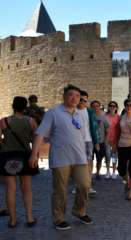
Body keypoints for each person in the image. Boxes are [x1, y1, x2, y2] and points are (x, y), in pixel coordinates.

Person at [30, 84, 93, 230]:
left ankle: (79, 211)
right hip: (60, 158)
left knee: (84, 185)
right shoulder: (53, 113)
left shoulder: (79, 113)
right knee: (60, 190)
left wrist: (87, 154)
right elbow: (40, 134)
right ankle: (59, 218)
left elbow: (82, 136)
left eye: (78, 96)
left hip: (80, 158)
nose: (75, 98)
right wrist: (34, 154)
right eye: (71, 95)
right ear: (64, 96)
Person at [0, 96, 39, 228]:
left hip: (7, 157)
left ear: (12, 105)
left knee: (10, 189)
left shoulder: (4, 121)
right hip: (25, 156)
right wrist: (35, 156)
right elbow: (35, 141)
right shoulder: (31, 121)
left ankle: (13, 220)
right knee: (26, 189)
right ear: (25, 107)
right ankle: (29, 218)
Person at [77, 91, 99, 195]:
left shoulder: (90, 111)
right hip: (76, 142)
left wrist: (97, 142)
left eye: (84, 100)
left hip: (88, 141)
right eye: (80, 99)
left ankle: (88, 186)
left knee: (89, 164)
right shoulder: (72, 110)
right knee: (77, 164)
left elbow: (94, 127)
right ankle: (78, 186)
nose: (82, 102)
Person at [91, 101, 109, 180]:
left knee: (99, 159)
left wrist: (106, 140)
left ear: (99, 106)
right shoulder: (88, 116)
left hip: (101, 141)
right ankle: (89, 175)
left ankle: (97, 173)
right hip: (90, 142)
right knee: (89, 159)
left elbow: (107, 129)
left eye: (97, 106)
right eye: (93, 106)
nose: (95, 108)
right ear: (91, 107)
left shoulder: (103, 116)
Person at [105, 101, 120, 179]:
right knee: (107, 156)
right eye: (110, 105)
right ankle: (107, 171)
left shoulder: (118, 117)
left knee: (114, 157)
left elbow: (119, 129)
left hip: (115, 140)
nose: (112, 107)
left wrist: (117, 141)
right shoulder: (105, 116)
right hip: (107, 140)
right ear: (108, 107)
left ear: (116, 108)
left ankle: (114, 171)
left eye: (114, 106)